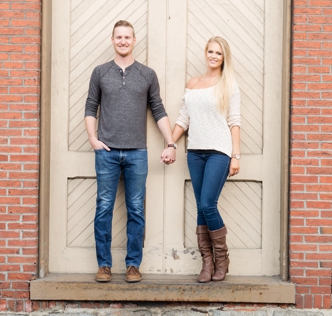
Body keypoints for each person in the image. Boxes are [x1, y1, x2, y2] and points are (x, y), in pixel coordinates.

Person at [84, 20, 177, 283]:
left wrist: (170, 143)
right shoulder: (100, 72)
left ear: (134, 40)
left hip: (137, 152)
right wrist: (93, 139)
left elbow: (158, 110)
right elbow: (91, 107)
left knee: (136, 209)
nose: (123, 41)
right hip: (107, 152)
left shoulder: (147, 74)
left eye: (127, 37)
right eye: (119, 37)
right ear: (112, 40)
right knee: (104, 208)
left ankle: (133, 265)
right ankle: (104, 265)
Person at [171, 36, 241, 282]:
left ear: (224, 58)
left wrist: (235, 155)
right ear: (206, 53)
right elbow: (183, 118)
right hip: (195, 152)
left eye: (218, 53)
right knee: (201, 206)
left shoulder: (229, 84)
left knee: (208, 204)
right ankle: (207, 263)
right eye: (210, 51)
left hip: (219, 152)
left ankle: (222, 259)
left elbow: (234, 121)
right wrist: (171, 142)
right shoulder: (193, 83)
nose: (213, 56)